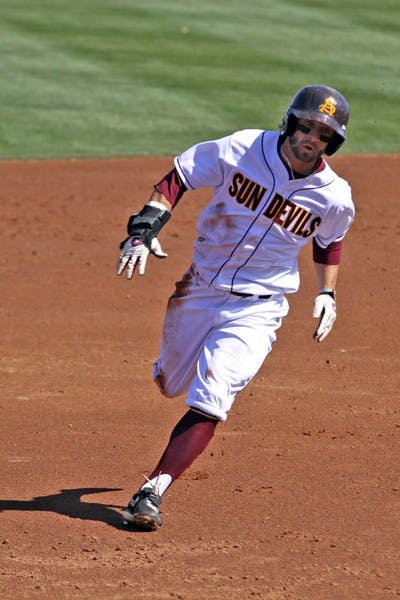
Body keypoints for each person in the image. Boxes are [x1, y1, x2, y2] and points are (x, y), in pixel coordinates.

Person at [116, 84, 355, 531]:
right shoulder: (243, 148)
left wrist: (328, 293)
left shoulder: (334, 196)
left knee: (213, 395)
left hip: (259, 307)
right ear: (291, 122)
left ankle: (151, 492)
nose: (311, 138)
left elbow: (330, 241)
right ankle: (175, 375)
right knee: (170, 384)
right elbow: (181, 175)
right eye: (306, 126)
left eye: (323, 134)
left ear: (332, 142)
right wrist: (144, 226)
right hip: (199, 288)